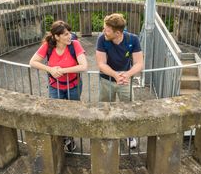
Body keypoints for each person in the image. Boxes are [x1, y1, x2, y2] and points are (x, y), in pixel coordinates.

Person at [29, 20, 88, 151]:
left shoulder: (75, 44)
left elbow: (83, 66)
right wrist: (50, 69)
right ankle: (62, 138)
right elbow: (33, 62)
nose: (70, 36)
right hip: (55, 86)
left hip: (73, 86)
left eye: (69, 33)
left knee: (72, 112)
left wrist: (61, 70)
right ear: (57, 37)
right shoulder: (48, 46)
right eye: (66, 34)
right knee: (56, 112)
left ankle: (70, 137)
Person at [95, 13, 144, 148]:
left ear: (117, 33)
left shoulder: (132, 39)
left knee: (128, 107)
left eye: (107, 30)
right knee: (105, 107)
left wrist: (127, 75)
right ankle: (105, 132)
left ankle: (129, 134)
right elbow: (101, 64)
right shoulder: (102, 39)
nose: (104, 31)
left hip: (124, 80)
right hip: (107, 80)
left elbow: (139, 63)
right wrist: (116, 76)